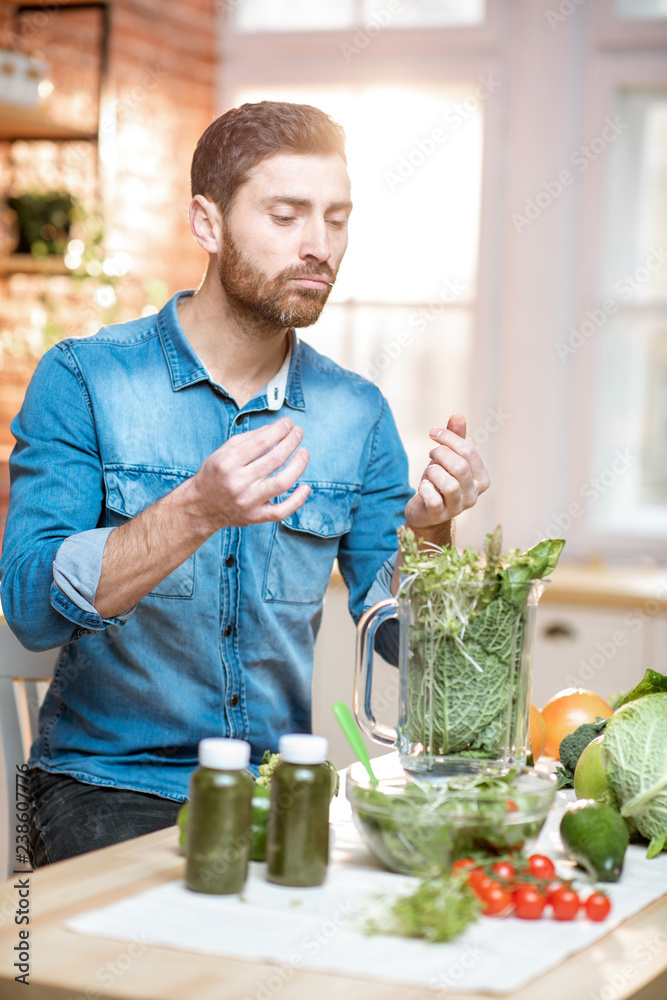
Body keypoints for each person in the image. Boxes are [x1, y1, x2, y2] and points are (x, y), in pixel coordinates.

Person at [0, 101, 489, 865]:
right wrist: (195, 509)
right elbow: (31, 607)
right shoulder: (84, 379)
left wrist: (430, 531)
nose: (318, 245)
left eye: (336, 219)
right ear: (207, 223)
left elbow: (397, 644)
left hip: (281, 789)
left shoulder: (356, 413)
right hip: (110, 788)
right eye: (287, 215)